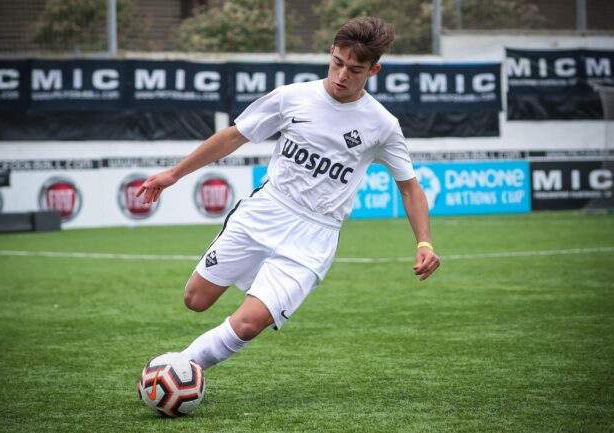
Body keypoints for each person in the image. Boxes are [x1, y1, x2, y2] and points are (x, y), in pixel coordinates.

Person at [136, 16, 440, 370]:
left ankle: (180, 370)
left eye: (355, 70)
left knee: (248, 324)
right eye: (337, 63)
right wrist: (174, 174)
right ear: (331, 52)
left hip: (313, 236)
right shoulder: (292, 97)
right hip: (265, 211)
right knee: (195, 299)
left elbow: (409, 187)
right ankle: (182, 368)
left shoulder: (383, 125)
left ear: (373, 70)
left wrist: (424, 242)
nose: (342, 75)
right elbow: (234, 136)